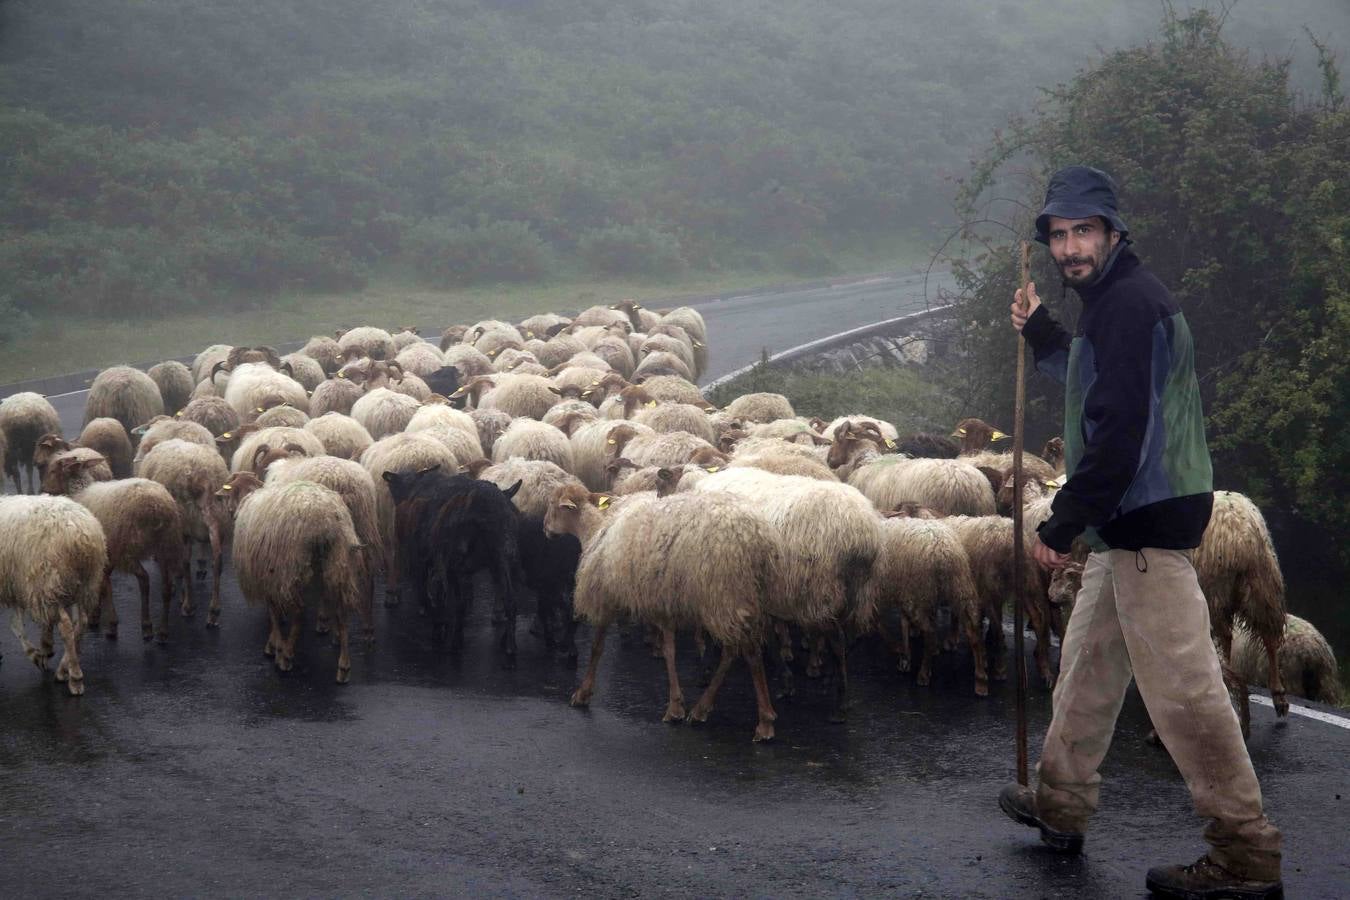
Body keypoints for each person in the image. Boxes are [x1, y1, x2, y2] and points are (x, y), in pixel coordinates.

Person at [997, 165, 1283, 899]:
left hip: (1145, 522)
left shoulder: (1126, 306)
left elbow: (1119, 435)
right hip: (1128, 524)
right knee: (1087, 667)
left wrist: (1062, 522)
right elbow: (1097, 385)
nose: (1068, 248)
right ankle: (1060, 801)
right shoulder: (1113, 304)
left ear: (1114, 232)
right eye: (1058, 235)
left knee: (1186, 697)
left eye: (1082, 231)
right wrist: (1043, 332)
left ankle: (1244, 854)